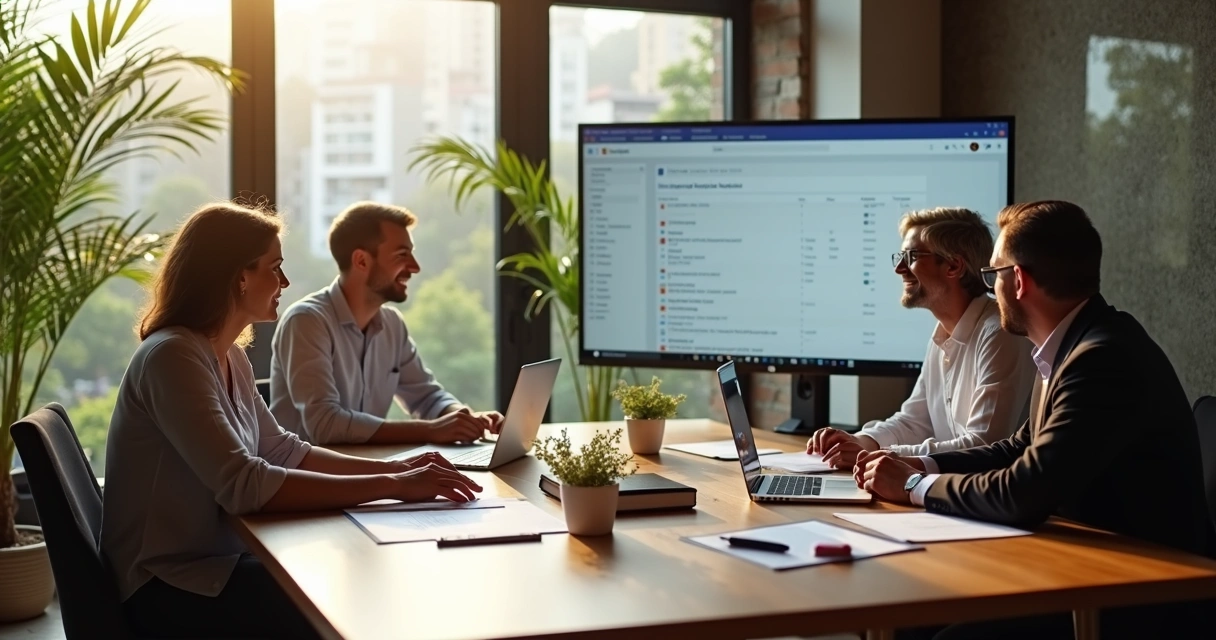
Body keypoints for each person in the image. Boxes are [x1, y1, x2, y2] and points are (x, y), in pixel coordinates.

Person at [101, 203, 483, 639]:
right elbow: (244, 485)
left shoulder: (227, 355)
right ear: (237, 276)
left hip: (214, 562)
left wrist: (396, 470)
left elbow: (282, 449)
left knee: (351, 578)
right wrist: (393, 487)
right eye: (275, 268)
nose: (284, 282)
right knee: (341, 600)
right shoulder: (172, 356)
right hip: (166, 586)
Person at [855, 200, 1214, 639]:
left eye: (992, 276)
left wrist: (913, 487)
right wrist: (925, 465)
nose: (988, 289)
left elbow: (1023, 489)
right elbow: (1017, 448)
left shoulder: (1101, 359)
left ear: (1017, 280)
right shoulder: (1071, 347)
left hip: (1142, 598)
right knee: (906, 616)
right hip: (1088, 568)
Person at [808, 207, 1035, 468]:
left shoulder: (999, 334)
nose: (899, 268)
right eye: (900, 256)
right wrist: (862, 442)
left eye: (912, 256)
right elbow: (915, 420)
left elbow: (983, 445)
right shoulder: (941, 334)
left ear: (953, 265)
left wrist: (882, 457)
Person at [269, 201, 502, 446]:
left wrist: (466, 419)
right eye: (402, 255)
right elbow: (325, 425)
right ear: (361, 261)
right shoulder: (307, 321)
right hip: (311, 479)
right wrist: (431, 430)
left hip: (368, 470)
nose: (415, 267)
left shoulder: (392, 324)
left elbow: (427, 398)